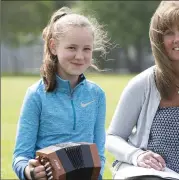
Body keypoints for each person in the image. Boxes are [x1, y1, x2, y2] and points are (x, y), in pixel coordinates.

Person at [105, 1, 179, 180]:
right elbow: (113, 137)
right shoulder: (142, 84)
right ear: (159, 41)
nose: (177, 39)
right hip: (146, 175)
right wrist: (136, 156)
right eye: (169, 33)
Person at [12, 7, 110, 180]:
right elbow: (20, 156)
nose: (79, 56)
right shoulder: (36, 95)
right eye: (72, 47)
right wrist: (31, 172)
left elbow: (99, 154)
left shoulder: (97, 95)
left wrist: (97, 175)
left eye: (86, 49)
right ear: (53, 47)